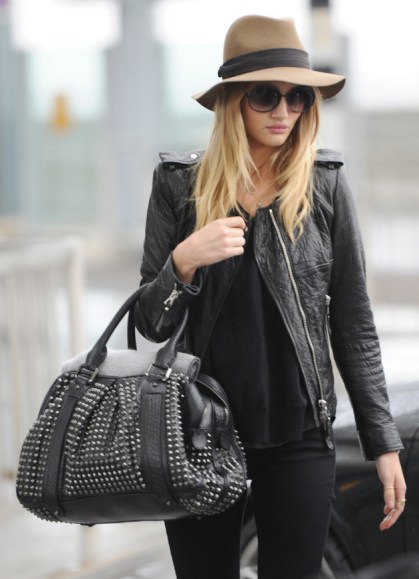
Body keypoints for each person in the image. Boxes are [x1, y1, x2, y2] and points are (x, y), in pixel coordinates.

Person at [134, 15, 406, 579]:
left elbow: (353, 324)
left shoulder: (324, 184)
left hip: (299, 430)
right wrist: (184, 261)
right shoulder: (180, 187)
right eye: (266, 95)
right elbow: (149, 324)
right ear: (233, 101)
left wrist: (383, 444)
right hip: (199, 431)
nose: (284, 111)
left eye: (297, 97)